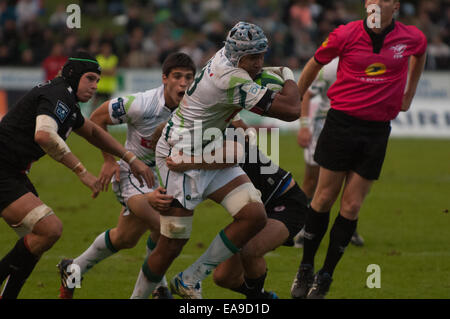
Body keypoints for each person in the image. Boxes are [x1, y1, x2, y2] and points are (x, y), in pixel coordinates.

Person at [135, 21, 300, 299]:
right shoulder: (232, 78)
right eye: (253, 57)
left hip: (209, 146)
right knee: (171, 244)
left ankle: (191, 279)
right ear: (237, 57)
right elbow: (292, 110)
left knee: (253, 215)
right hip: (182, 152)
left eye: (262, 55)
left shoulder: (228, 60)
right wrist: (287, 74)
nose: (259, 63)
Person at [290, 0, 427, 299]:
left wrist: (409, 94)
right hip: (341, 124)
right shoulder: (345, 34)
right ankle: (306, 267)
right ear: (367, 5)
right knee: (324, 197)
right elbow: (314, 62)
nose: (378, 3)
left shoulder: (412, 37)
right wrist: (295, 99)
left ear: (396, 6)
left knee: (351, 207)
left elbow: (420, 53)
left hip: (378, 130)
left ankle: (325, 277)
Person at [0, 50, 154, 299]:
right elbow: (44, 135)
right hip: (3, 170)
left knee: (35, 241)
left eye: (96, 80)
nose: (95, 86)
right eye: (90, 79)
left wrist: (130, 158)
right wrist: (81, 172)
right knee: (49, 230)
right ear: (73, 75)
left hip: (12, 172)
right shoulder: (58, 95)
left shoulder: (68, 101)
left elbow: (93, 132)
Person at [57, 52, 196, 299]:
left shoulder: (192, 108)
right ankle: (159, 288)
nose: (183, 83)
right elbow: (97, 118)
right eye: (177, 76)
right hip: (130, 172)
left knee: (125, 238)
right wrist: (109, 160)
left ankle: (73, 269)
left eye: (188, 77)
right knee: (168, 225)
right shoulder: (141, 104)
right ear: (165, 78)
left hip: (155, 176)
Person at [163, 115, 308, 299]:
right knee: (224, 278)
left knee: (250, 249)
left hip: (286, 202)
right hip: (257, 206)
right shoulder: (199, 132)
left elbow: (237, 131)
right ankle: (263, 297)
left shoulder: (220, 135)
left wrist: (189, 161)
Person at [294, 57, 364, 248]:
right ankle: (301, 228)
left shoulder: (369, 65)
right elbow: (307, 94)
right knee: (312, 180)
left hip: (354, 126)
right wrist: (304, 126)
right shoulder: (331, 68)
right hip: (324, 126)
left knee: (351, 180)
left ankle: (349, 229)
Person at [92, 42, 118, 114]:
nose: (107, 50)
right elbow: (98, 72)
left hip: (109, 87)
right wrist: (108, 71)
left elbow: (113, 72)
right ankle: (91, 116)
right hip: (99, 86)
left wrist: (103, 71)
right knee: (94, 104)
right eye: (105, 48)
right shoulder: (98, 58)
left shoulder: (113, 58)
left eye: (108, 48)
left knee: (107, 106)